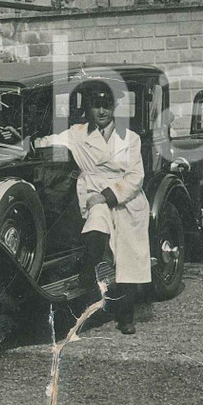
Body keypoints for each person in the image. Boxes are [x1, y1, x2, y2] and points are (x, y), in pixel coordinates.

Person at [32, 81, 151, 335]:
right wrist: (28, 142)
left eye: (106, 105)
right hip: (94, 195)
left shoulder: (131, 138)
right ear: (90, 108)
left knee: (128, 258)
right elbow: (48, 141)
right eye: (97, 106)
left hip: (125, 199)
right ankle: (88, 274)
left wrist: (108, 196)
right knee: (96, 224)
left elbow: (135, 177)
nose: (102, 111)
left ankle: (126, 316)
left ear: (114, 107)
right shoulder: (78, 134)